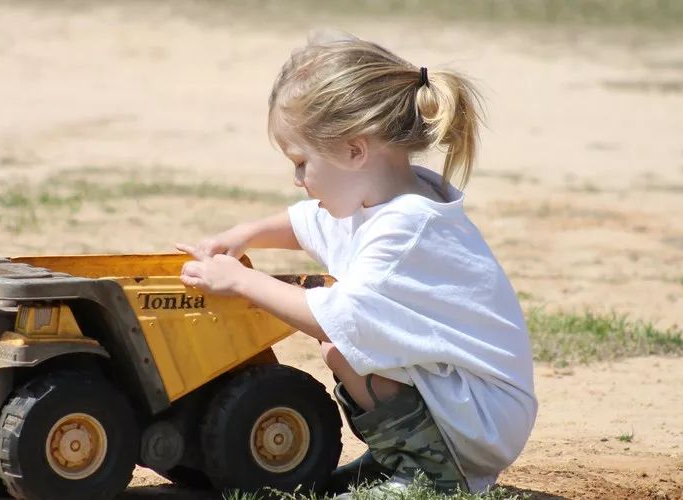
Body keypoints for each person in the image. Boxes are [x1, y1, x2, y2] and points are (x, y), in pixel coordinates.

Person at [176, 32, 537, 495]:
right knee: (344, 350)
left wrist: (244, 281)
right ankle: (399, 458)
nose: (297, 179)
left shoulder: (405, 230)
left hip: (481, 417)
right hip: (470, 404)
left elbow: (336, 316)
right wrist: (242, 235)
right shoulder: (386, 199)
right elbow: (307, 223)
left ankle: (430, 475)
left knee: (342, 344)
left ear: (354, 149)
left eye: (302, 162)